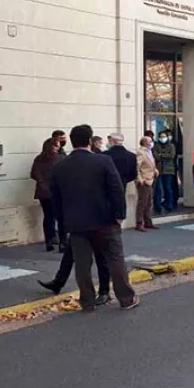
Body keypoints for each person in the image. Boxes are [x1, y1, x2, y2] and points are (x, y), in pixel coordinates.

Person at [50, 124, 139, 311]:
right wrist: (119, 215)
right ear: (90, 141)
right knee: (115, 260)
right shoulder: (103, 161)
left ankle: (87, 301)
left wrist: (63, 222)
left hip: (76, 223)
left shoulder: (60, 166)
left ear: (72, 142)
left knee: (82, 265)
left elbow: (56, 199)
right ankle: (126, 298)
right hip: (105, 220)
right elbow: (116, 189)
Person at [31, 138, 64, 252]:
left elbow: (33, 174)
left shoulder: (38, 158)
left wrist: (42, 182)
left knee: (48, 216)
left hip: (42, 191)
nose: (59, 148)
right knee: (60, 217)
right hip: (56, 191)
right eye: (57, 146)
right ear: (52, 146)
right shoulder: (59, 158)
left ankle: (48, 241)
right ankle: (62, 243)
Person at [135, 136, 159, 232]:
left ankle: (148, 222)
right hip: (144, 180)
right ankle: (139, 223)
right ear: (144, 142)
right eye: (150, 141)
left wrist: (155, 170)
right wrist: (139, 178)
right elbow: (137, 166)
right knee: (142, 203)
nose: (151, 142)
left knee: (149, 202)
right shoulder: (141, 152)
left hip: (150, 179)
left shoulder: (149, 152)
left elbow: (150, 164)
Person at [152, 129, 177, 214]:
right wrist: (164, 156)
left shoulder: (171, 146)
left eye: (164, 136)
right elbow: (156, 157)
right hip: (158, 170)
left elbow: (172, 156)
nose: (162, 138)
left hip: (168, 170)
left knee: (168, 188)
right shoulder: (156, 146)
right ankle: (157, 206)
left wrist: (161, 155)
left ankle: (169, 205)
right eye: (161, 137)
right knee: (158, 189)